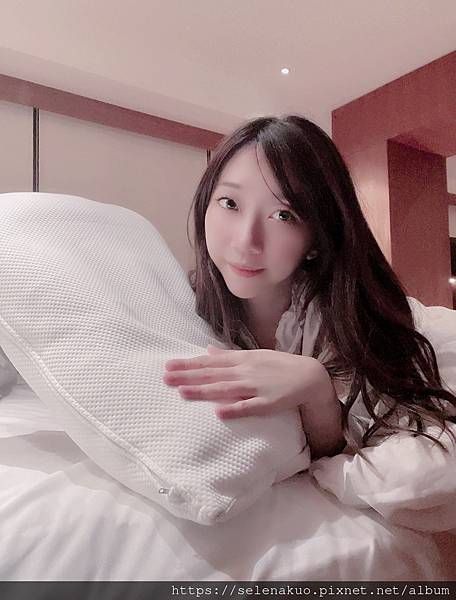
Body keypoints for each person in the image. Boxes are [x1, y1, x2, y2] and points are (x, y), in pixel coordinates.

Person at [162, 114, 456, 466]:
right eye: (230, 203)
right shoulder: (174, 305)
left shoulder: (353, 325)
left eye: (283, 215)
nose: (245, 241)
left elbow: (370, 460)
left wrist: (317, 392)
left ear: (316, 239)